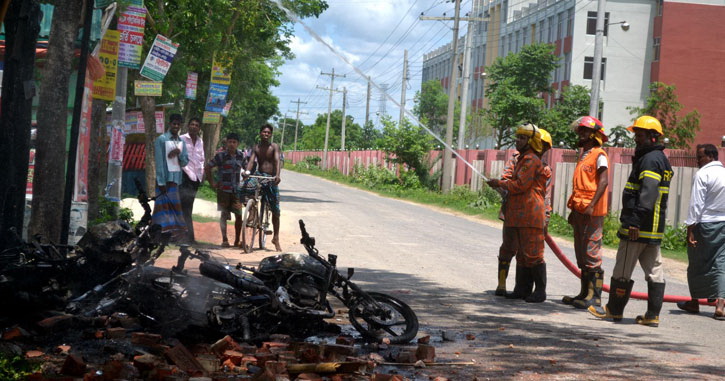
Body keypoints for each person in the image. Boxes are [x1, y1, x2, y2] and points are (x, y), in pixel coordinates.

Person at [589, 116, 673, 327]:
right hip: (653, 229)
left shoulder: (651, 160)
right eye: (636, 134)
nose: (636, 139)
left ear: (653, 137)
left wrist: (634, 222)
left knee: (622, 270)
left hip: (639, 227)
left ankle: (613, 311)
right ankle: (652, 315)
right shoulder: (659, 158)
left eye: (641, 135)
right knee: (655, 272)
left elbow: (648, 192)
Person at [486, 123, 550, 303]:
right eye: (518, 137)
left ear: (531, 141)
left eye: (522, 138)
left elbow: (521, 185)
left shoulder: (531, 160)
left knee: (533, 254)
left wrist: (499, 184)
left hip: (530, 214)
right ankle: (522, 289)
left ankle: (540, 292)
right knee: (522, 255)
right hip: (517, 214)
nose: (518, 140)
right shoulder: (521, 159)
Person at [563, 116, 610, 310]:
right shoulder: (583, 155)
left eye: (584, 131)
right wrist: (575, 210)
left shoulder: (599, 154)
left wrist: (591, 206)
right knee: (581, 254)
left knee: (591, 254)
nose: (580, 134)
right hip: (580, 209)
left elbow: (604, 181)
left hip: (592, 211)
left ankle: (595, 298)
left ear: (594, 135)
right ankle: (584, 293)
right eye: (580, 131)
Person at [677, 144, 725, 320]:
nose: (697, 161)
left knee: (697, 262)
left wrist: (690, 229)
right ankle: (720, 305)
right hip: (723, 224)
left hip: (704, 224)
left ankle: (694, 301)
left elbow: (696, 204)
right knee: (720, 264)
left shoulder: (703, 174)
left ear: (711, 156)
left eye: (700, 157)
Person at [244, 124, 282, 252]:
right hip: (259, 176)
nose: (266, 134)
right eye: (264, 132)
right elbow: (251, 162)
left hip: (271, 178)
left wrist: (277, 175)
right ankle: (252, 213)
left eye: (268, 133)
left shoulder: (274, 147)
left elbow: (277, 161)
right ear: (260, 133)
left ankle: (276, 238)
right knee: (244, 188)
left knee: (276, 210)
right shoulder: (256, 147)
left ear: (270, 134)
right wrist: (246, 172)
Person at [206, 132, 247, 247]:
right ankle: (224, 239)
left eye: (234, 142)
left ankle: (237, 240)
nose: (232, 144)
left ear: (237, 143)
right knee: (224, 215)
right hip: (223, 189)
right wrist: (212, 182)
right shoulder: (220, 156)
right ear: (227, 142)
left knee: (238, 216)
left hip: (237, 190)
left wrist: (246, 175)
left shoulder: (241, 156)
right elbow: (208, 167)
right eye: (230, 142)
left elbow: (247, 168)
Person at [152, 113, 189, 241]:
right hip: (164, 180)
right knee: (162, 207)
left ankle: (173, 235)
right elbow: (159, 162)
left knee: (175, 207)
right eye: (174, 123)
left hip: (175, 180)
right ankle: (159, 234)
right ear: (170, 124)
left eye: (178, 124)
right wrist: (161, 182)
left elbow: (184, 162)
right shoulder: (161, 140)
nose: (176, 126)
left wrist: (178, 154)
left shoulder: (181, 142)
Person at [179, 117, 204, 243]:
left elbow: (201, 159)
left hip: (196, 178)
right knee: (185, 206)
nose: (194, 126)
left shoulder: (200, 141)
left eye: (196, 125)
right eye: (192, 124)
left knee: (189, 206)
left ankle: (189, 236)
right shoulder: (182, 139)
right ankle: (187, 236)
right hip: (185, 176)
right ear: (188, 126)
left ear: (199, 128)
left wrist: (202, 173)